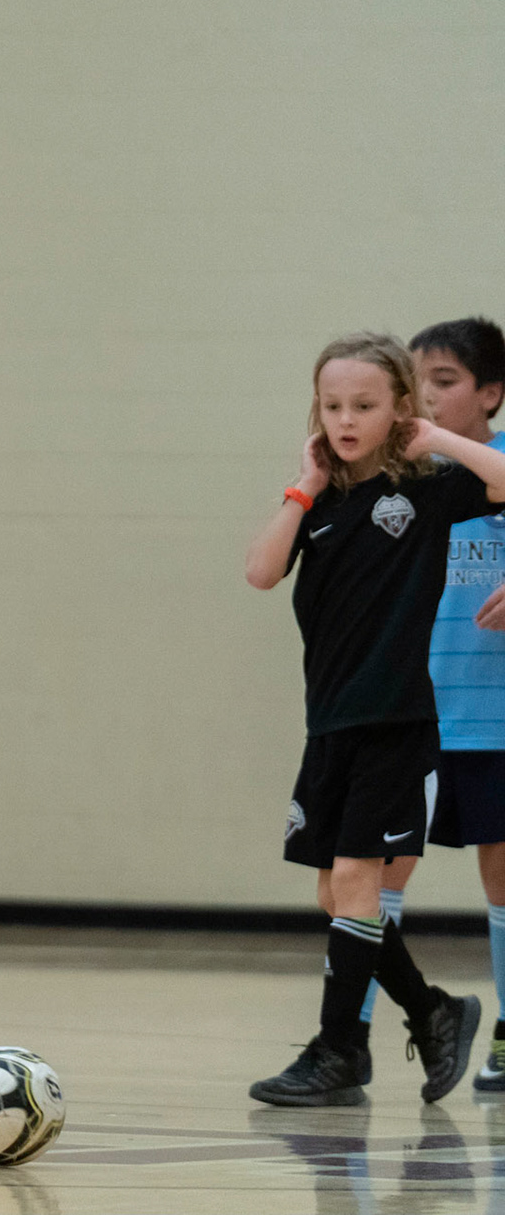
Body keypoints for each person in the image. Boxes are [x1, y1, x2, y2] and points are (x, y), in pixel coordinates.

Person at [244, 330, 505, 1107]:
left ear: (399, 410)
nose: (346, 419)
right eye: (332, 406)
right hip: (330, 725)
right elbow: (259, 572)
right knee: (337, 894)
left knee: (357, 880)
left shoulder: (428, 489)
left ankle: (338, 1050)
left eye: (365, 404)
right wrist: (301, 487)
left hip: (398, 723)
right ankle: (432, 1011)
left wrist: (441, 441)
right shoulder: (320, 503)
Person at [359, 318, 505, 1090]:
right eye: (418, 384)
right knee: (369, 875)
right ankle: (345, 1036)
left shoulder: (489, 466)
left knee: (502, 878)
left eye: (444, 382)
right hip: (414, 712)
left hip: (495, 716)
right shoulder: (401, 480)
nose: (428, 399)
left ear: (491, 393)